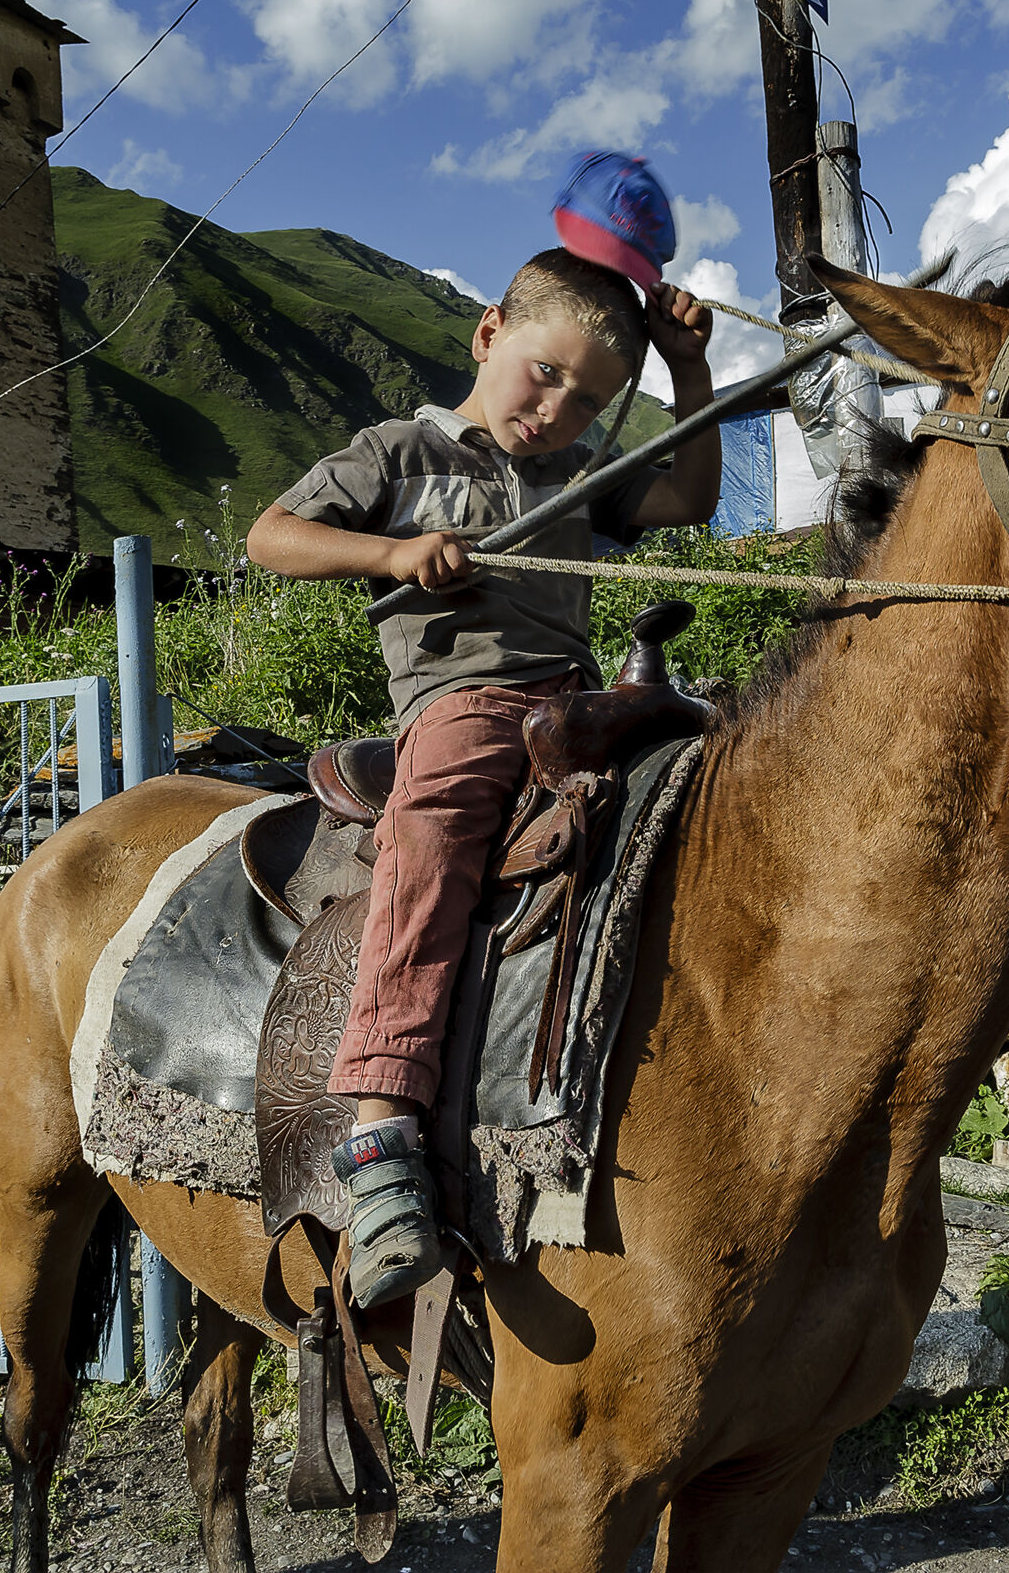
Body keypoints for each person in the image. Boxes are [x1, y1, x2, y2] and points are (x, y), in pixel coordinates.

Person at [243, 155, 720, 1306]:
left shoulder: (581, 476)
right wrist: (392, 553)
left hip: (573, 694)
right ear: (487, 334)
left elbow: (696, 496)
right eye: (543, 375)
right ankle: (383, 1133)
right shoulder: (399, 456)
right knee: (440, 832)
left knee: (707, 758)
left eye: (587, 401)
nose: (555, 410)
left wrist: (692, 366)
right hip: (460, 706)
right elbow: (270, 536)